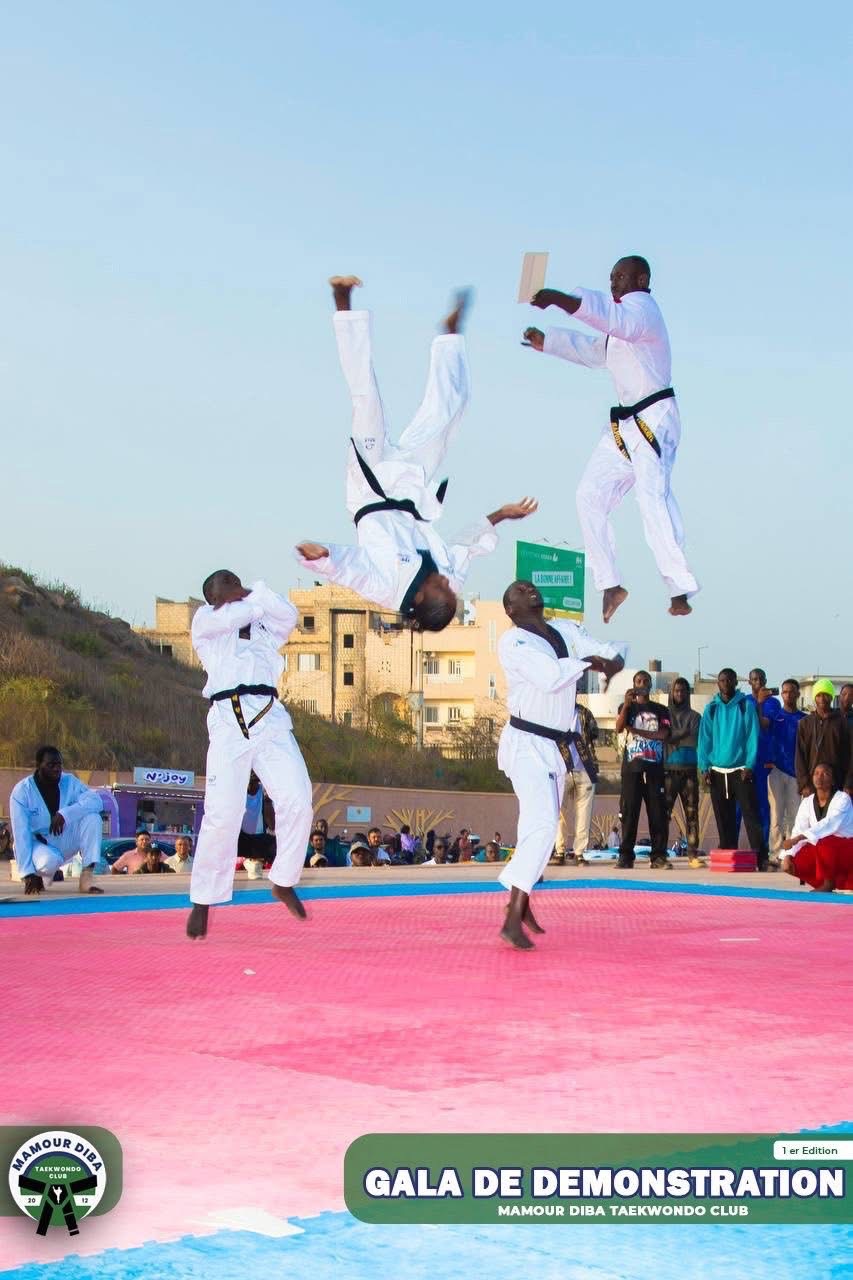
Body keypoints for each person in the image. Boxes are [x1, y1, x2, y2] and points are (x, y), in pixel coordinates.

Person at [295, 276, 538, 631]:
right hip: (411, 485)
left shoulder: (385, 588)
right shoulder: (449, 582)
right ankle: (450, 339)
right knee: (450, 411)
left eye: (440, 587)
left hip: (372, 483)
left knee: (366, 400)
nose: (444, 581)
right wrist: (502, 513)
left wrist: (323, 558)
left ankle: (343, 303)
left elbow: (349, 569)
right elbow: (465, 545)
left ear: (421, 599)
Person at [522, 256, 698, 623]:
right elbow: (595, 351)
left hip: (655, 418)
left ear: (642, 279)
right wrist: (548, 342)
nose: (614, 282)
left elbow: (612, 318)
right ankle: (610, 584)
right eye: (611, 277)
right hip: (624, 424)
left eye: (620, 277)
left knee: (652, 497)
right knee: (588, 495)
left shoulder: (643, 310)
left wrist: (559, 299)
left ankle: (678, 586)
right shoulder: (619, 324)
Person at [496, 579, 625, 948]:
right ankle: (512, 916)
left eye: (531, 587)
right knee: (542, 825)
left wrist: (610, 659)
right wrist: (593, 661)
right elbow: (551, 677)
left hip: (554, 746)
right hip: (525, 743)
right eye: (519, 590)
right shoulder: (513, 642)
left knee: (535, 826)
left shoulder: (564, 630)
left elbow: (606, 650)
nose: (529, 590)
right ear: (510, 609)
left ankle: (520, 903)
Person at [186, 572, 313, 939]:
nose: (234, 587)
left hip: (269, 717)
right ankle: (203, 901)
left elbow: (288, 614)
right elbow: (233, 616)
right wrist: (250, 599)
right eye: (226, 585)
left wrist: (253, 593)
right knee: (223, 813)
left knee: (298, 800)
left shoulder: (263, 624)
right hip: (228, 719)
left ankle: (284, 880)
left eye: (236, 582)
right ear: (213, 596)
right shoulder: (206, 622)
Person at [10, 746, 105, 895]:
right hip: (37, 844)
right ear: (38, 765)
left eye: (59, 764)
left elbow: (96, 801)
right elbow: (21, 833)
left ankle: (86, 877)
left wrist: (65, 814)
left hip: (63, 838)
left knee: (93, 818)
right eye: (51, 765)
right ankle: (37, 874)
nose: (57, 769)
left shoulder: (69, 782)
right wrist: (27, 874)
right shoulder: (22, 791)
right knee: (49, 862)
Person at [698, 669, 767, 866]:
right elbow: (704, 741)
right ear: (718, 683)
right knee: (723, 818)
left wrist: (750, 765)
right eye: (722, 680)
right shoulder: (711, 708)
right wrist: (704, 767)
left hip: (741, 770)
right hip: (717, 771)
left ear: (736, 682)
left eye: (729, 679)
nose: (726, 682)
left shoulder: (745, 706)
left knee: (750, 815)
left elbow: (752, 737)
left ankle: (761, 858)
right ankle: (729, 857)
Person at [615, 672, 672, 869]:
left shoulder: (661, 710)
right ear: (633, 684)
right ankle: (625, 856)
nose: (642, 684)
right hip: (632, 768)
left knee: (657, 813)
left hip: (654, 769)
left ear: (651, 684)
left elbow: (663, 734)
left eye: (646, 681)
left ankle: (658, 856)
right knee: (629, 813)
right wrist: (627, 705)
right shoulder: (626, 708)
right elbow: (619, 728)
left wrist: (638, 731)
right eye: (639, 681)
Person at [780, 764, 853, 891]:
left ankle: (828, 884)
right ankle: (822, 883)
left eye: (825, 774)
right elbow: (798, 828)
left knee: (824, 842)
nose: (820, 777)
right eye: (816, 773)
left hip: (845, 849)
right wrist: (788, 855)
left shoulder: (843, 798)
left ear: (833, 780)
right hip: (824, 851)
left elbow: (829, 823)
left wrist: (798, 838)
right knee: (795, 862)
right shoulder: (807, 802)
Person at [765, 679, 805, 865]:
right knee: (776, 815)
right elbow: (761, 726)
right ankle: (774, 854)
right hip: (777, 772)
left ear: (798, 694)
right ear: (781, 694)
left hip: (796, 773)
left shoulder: (804, 719)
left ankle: (791, 854)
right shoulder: (775, 716)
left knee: (795, 816)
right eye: (785, 692)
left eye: (792, 691)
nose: (788, 695)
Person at [554, 702, 599, 866]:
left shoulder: (585, 712)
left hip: (584, 767)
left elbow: (596, 732)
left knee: (584, 812)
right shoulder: (554, 711)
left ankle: (579, 852)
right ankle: (560, 850)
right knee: (559, 811)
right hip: (561, 768)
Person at [664, 677, 703, 867]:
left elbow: (694, 740)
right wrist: (680, 734)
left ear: (688, 694)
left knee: (692, 814)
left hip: (689, 770)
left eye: (683, 691)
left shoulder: (695, 717)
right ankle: (660, 853)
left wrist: (674, 737)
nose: (679, 694)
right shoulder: (664, 715)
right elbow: (665, 737)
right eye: (676, 690)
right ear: (672, 693)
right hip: (668, 771)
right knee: (664, 815)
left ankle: (693, 854)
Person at [796, 679, 852, 797]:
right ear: (814, 697)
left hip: (837, 784)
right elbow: (799, 756)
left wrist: (848, 784)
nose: (822, 699)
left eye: (826, 695)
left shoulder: (842, 722)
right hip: (812, 784)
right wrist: (804, 784)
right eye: (819, 695)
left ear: (832, 697)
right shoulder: (805, 723)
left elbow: (850, 756)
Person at [745, 668, 781, 847]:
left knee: (763, 807)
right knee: (740, 808)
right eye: (754, 679)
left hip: (763, 761)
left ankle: (764, 851)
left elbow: (764, 724)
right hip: (744, 762)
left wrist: (759, 704)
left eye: (761, 678)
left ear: (766, 680)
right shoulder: (743, 702)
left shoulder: (773, 703)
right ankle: (731, 849)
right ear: (749, 682)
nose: (758, 681)